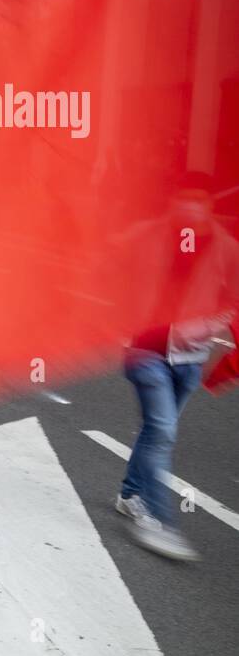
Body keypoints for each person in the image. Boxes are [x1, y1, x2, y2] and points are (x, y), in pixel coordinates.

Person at [112, 173, 239, 561]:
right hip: (144, 351)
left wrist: (209, 324)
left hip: (190, 358)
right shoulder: (144, 236)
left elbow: (232, 301)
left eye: (195, 201)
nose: (187, 208)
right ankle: (160, 522)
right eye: (181, 200)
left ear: (207, 207)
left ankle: (130, 495)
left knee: (156, 431)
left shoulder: (227, 250)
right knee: (163, 431)